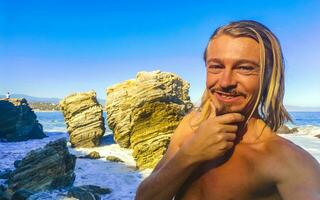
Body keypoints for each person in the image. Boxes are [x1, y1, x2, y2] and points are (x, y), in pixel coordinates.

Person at [135, 20, 320, 200]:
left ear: (269, 76)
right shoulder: (190, 124)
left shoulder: (288, 162)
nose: (225, 82)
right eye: (216, 66)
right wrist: (188, 155)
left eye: (244, 68)